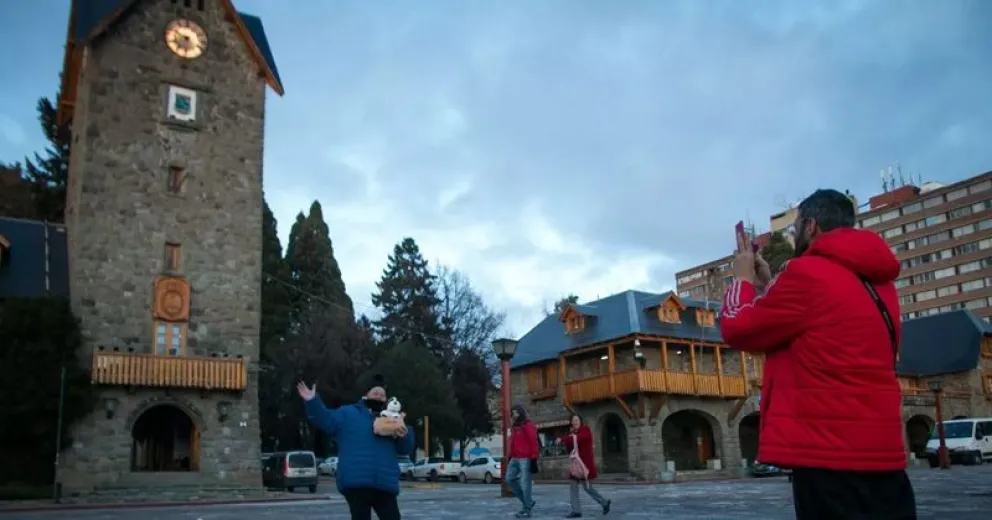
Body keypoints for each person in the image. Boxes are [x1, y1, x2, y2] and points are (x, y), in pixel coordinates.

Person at [720, 189, 916, 519]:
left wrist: (741, 279)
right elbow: (819, 331)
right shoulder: (879, 282)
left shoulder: (808, 273)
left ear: (811, 226)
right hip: (882, 452)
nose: (795, 233)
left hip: (829, 457)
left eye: (797, 226)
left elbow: (738, 327)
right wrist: (772, 287)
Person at [298, 376, 415, 520]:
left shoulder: (393, 421)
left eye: (382, 394)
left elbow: (405, 449)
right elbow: (326, 420)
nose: (379, 396)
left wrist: (403, 432)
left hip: (385, 482)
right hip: (356, 481)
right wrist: (312, 401)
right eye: (375, 392)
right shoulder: (348, 413)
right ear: (366, 394)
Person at [556, 414, 611, 518]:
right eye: (573, 420)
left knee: (587, 488)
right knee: (573, 484)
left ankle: (604, 503)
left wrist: (564, 438)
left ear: (580, 421)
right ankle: (577, 510)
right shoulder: (572, 434)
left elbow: (581, 438)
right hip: (576, 466)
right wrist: (568, 439)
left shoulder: (585, 430)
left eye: (577, 420)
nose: (575, 422)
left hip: (585, 465)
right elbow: (570, 449)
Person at [506, 404, 539, 518]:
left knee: (525, 484)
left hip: (526, 458)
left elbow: (533, 440)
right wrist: (510, 455)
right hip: (515, 458)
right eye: (512, 412)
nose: (513, 414)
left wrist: (534, 457)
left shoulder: (527, 425)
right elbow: (513, 442)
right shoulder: (515, 426)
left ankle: (527, 510)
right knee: (509, 479)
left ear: (520, 412)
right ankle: (528, 502)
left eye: (515, 412)